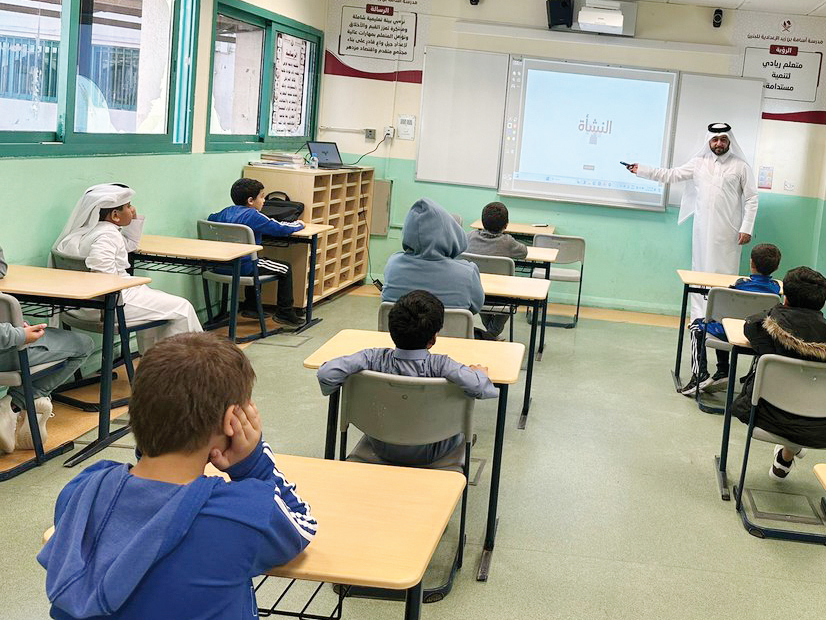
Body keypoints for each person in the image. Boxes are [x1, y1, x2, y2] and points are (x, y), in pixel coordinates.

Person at [38, 333, 316, 620]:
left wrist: (154, 442)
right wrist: (253, 464)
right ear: (231, 422)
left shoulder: (83, 490)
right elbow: (302, 524)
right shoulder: (240, 514)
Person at [316, 290, 497, 465]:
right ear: (433, 339)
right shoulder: (442, 365)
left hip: (382, 445)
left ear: (391, 332)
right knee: (460, 431)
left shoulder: (372, 358)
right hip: (434, 451)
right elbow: (480, 388)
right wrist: (480, 373)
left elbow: (326, 374)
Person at [730, 266, 826, 478]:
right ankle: (787, 455)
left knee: (789, 395)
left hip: (770, 416)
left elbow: (751, 325)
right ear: (823, 303)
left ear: (785, 297)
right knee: (807, 393)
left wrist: (777, 309)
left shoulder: (765, 328)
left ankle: (790, 450)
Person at [626, 122, 758, 320]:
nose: (719, 143)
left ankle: (722, 319)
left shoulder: (741, 166)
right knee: (700, 274)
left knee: (725, 275)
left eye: (723, 139)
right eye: (715, 139)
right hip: (702, 230)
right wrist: (641, 170)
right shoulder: (698, 163)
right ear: (709, 141)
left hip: (729, 232)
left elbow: (752, 198)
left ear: (729, 141)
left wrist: (746, 228)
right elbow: (671, 175)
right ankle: (699, 317)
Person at [52, 184, 203, 351]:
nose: (132, 209)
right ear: (115, 215)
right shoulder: (108, 235)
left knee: (159, 306)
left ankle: (154, 361)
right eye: (128, 206)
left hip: (78, 307)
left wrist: (133, 220)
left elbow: (129, 245)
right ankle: (189, 363)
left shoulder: (84, 233)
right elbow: (101, 274)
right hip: (109, 305)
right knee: (182, 308)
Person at [0, 245, 94, 454]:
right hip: (7, 353)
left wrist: (15, 325)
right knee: (84, 345)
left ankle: (17, 406)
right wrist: (19, 334)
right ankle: (15, 405)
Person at [680, 242, 781, 397]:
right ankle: (730, 373)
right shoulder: (776, 289)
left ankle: (700, 374)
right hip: (756, 335)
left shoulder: (740, 285)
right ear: (776, 267)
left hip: (730, 332)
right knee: (729, 324)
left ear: (751, 262)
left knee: (697, 326)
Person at [207, 177, 305, 327]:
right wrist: (299, 224)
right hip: (244, 267)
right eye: (262, 196)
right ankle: (285, 313)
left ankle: (251, 307)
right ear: (251, 201)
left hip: (221, 265)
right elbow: (280, 228)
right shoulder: (254, 215)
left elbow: (210, 219)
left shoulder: (224, 213)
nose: (264, 201)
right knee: (284, 268)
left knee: (257, 260)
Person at [382, 198, 485, 314]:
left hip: (401, 326)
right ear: (450, 232)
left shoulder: (393, 266)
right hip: (448, 327)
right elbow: (476, 307)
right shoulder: (467, 273)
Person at [466, 201, 528, 338]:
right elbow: (524, 252)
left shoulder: (469, 237)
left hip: (474, 293)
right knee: (512, 295)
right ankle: (491, 334)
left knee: (482, 290)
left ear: (482, 222)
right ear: (506, 225)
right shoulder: (508, 242)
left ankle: (489, 334)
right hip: (503, 297)